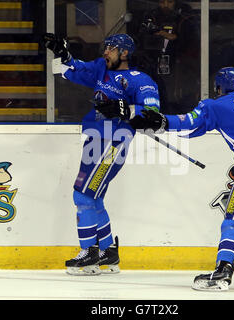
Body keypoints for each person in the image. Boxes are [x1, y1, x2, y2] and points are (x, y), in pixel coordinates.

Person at [104, 66, 234, 290]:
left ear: (219, 87)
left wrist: (160, 121)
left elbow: (188, 122)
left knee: (233, 221)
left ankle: (223, 271)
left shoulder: (215, 105)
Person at [42, 33, 161, 275]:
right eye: (105, 47)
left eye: (111, 49)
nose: (105, 52)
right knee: (93, 197)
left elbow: (152, 112)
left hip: (113, 141)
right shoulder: (100, 69)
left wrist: (125, 108)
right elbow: (75, 69)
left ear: (125, 53)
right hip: (95, 139)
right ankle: (108, 252)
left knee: (83, 196)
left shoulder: (141, 80)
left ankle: (88, 252)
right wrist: (62, 54)